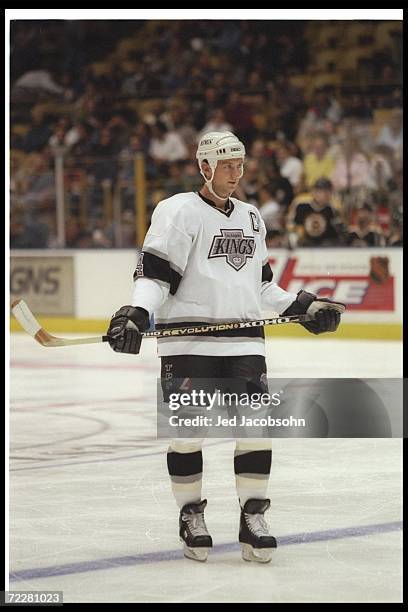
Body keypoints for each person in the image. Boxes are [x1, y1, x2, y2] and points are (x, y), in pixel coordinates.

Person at [106, 132, 345, 563]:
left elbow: (263, 286)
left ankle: (253, 517)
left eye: (240, 164)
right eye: (227, 164)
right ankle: (190, 515)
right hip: (188, 342)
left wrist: (303, 307)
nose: (236, 172)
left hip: (244, 344)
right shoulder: (177, 211)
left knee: (256, 431)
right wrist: (138, 312)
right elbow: (156, 276)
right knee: (186, 435)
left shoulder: (252, 218)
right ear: (204, 168)